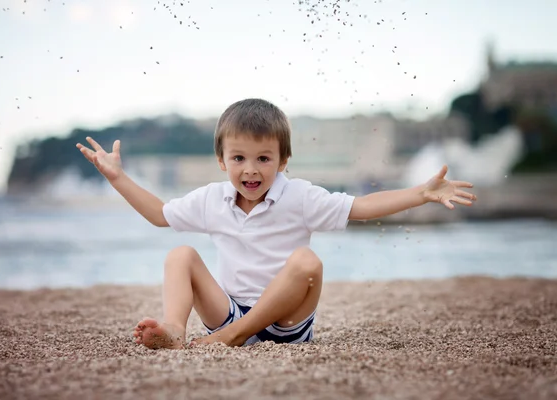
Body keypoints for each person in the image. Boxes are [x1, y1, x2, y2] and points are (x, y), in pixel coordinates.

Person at [76, 98, 476, 350]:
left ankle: (231, 339)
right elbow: (160, 215)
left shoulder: (300, 196)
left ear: (283, 161)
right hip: (228, 312)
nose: (250, 170)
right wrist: (117, 178)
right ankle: (176, 331)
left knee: (307, 262)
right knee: (181, 254)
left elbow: (364, 206)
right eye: (238, 159)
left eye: (263, 159)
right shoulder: (212, 200)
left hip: (286, 323)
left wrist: (420, 193)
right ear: (222, 161)